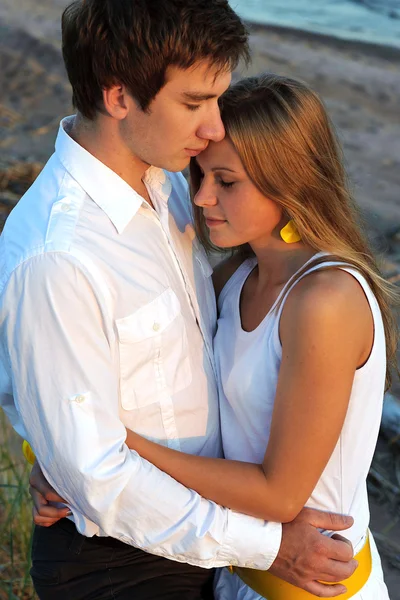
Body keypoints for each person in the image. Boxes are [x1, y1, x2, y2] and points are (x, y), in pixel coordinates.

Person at [0, 1, 356, 598]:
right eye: (194, 104)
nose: (215, 127)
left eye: (217, 99)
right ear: (119, 98)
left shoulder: (170, 185)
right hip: (122, 566)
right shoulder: (58, 256)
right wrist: (270, 547)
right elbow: (98, 478)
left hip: (205, 542)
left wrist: (60, 446)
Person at [120, 74, 398, 599]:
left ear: (288, 179)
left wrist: (118, 450)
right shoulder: (235, 278)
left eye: (227, 181)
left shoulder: (325, 302)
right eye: (201, 174)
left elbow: (280, 496)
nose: (202, 197)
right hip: (237, 572)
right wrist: (67, 470)